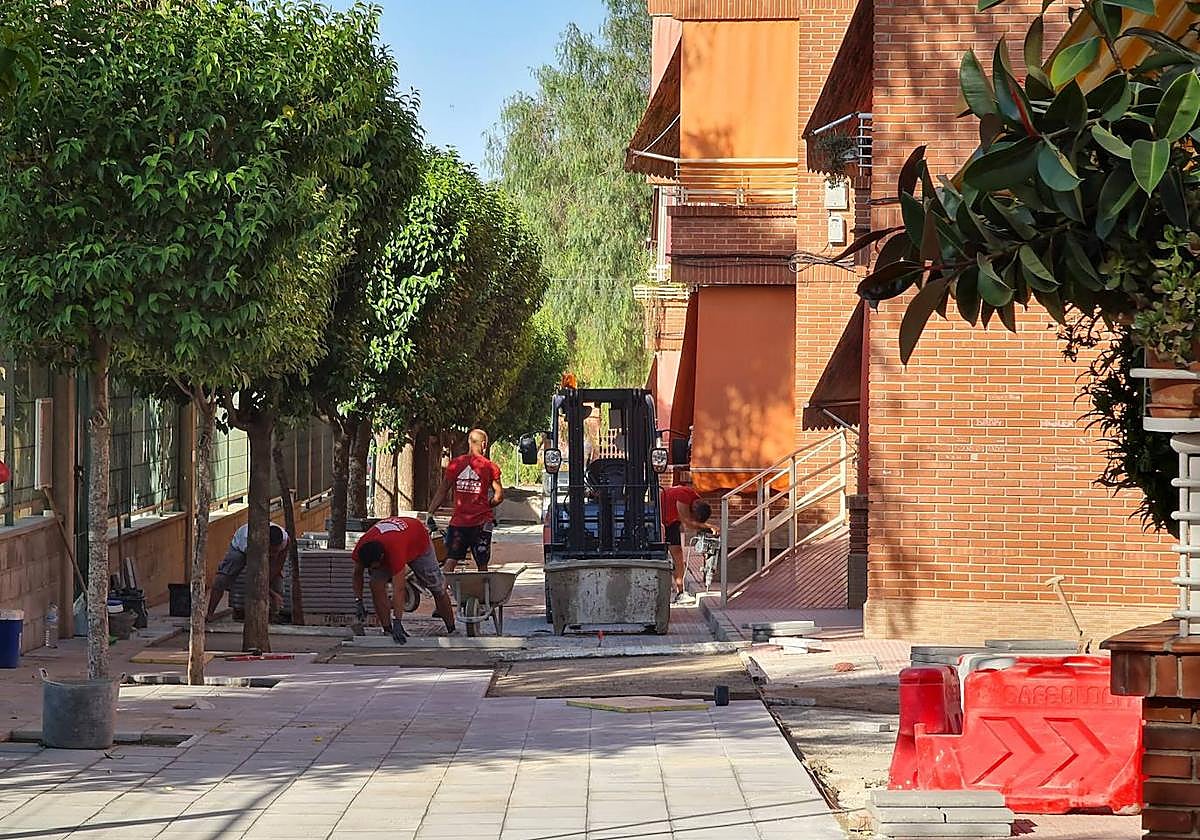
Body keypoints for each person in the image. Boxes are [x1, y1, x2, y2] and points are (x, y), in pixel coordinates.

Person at [352, 516, 455, 643]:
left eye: (375, 566)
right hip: (397, 538)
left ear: (382, 557)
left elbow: (399, 589)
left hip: (418, 541)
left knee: (437, 588)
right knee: (376, 584)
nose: (373, 569)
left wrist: (397, 621)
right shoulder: (361, 549)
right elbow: (357, 575)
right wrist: (358, 601)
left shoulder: (395, 552)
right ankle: (387, 630)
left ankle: (451, 628)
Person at [428, 428, 504, 572]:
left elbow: (442, 490)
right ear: (484, 445)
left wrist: (430, 512)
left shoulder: (455, 464)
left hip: (459, 524)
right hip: (482, 523)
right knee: (482, 564)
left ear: (469, 442)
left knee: (450, 561)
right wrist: (488, 505)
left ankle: (442, 593)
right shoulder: (490, 467)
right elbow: (499, 496)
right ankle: (483, 594)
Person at [207, 522, 290, 621]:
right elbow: (255, 576)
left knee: (277, 582)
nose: (273, 554)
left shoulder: (285, 540)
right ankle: (209, 614)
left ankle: (272, 616)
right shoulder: (249, 543)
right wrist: (272, 594)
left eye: (276, 551)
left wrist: (273, 581)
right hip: (240, 549)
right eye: (271, 551)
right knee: (223, 578)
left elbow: (278, 565)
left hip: (260, 550)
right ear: (265, 543)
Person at [661, 483, 718, 603]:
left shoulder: (695, 497)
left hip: (671, 522)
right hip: (659, 519)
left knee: (678, 556)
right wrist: (708, 526)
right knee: (662, 555)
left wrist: (703, 527)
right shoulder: (684, 496)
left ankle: (680, 592)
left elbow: (691, 522)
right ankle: (669, 589)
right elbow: (687, 522)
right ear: (695, 508)